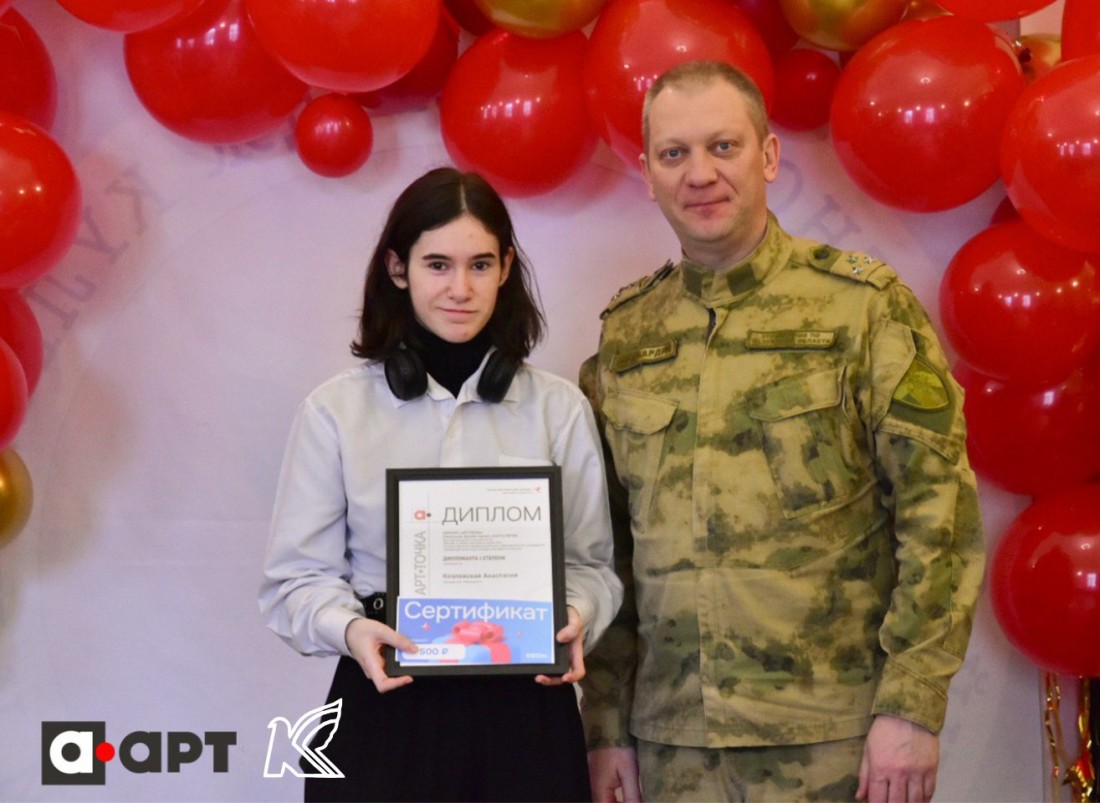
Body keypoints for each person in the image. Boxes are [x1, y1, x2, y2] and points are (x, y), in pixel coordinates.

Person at [578, 61, 985, 803]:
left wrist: (912, 704)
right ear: (648, 174)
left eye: (723, 146)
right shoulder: (627, 337)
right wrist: (606, 724)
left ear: (767, 156)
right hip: (673, 745)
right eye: (674, 153)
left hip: (832, 740)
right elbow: (607, 551)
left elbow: (940, 517)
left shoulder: (860, 309)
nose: (700, 174)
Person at [260, 167, 622, 802]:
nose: (461, 288)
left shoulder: (557, 408)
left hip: (526, 712)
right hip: (383, 703)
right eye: (437, 265)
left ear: (506, 269)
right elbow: (295, 581)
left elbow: (592, 566)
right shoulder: (335, 412)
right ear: (398, 269)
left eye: (480, 264)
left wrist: (576, 614)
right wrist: (351, 630)